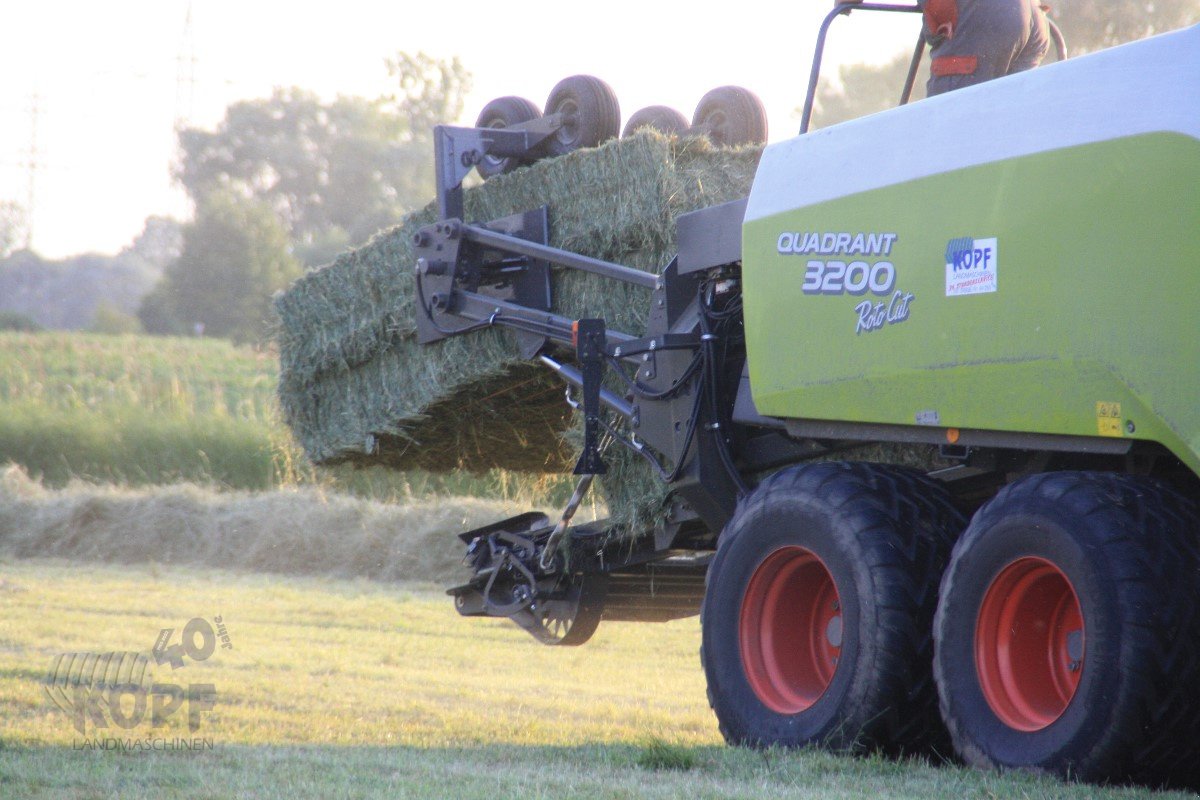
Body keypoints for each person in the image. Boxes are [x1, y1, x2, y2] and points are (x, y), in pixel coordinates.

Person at [922, 0, 1051, 95]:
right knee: (1013, 111)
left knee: (950, 116)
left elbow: (937, 16)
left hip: (988, 14)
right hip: (1033, 13)